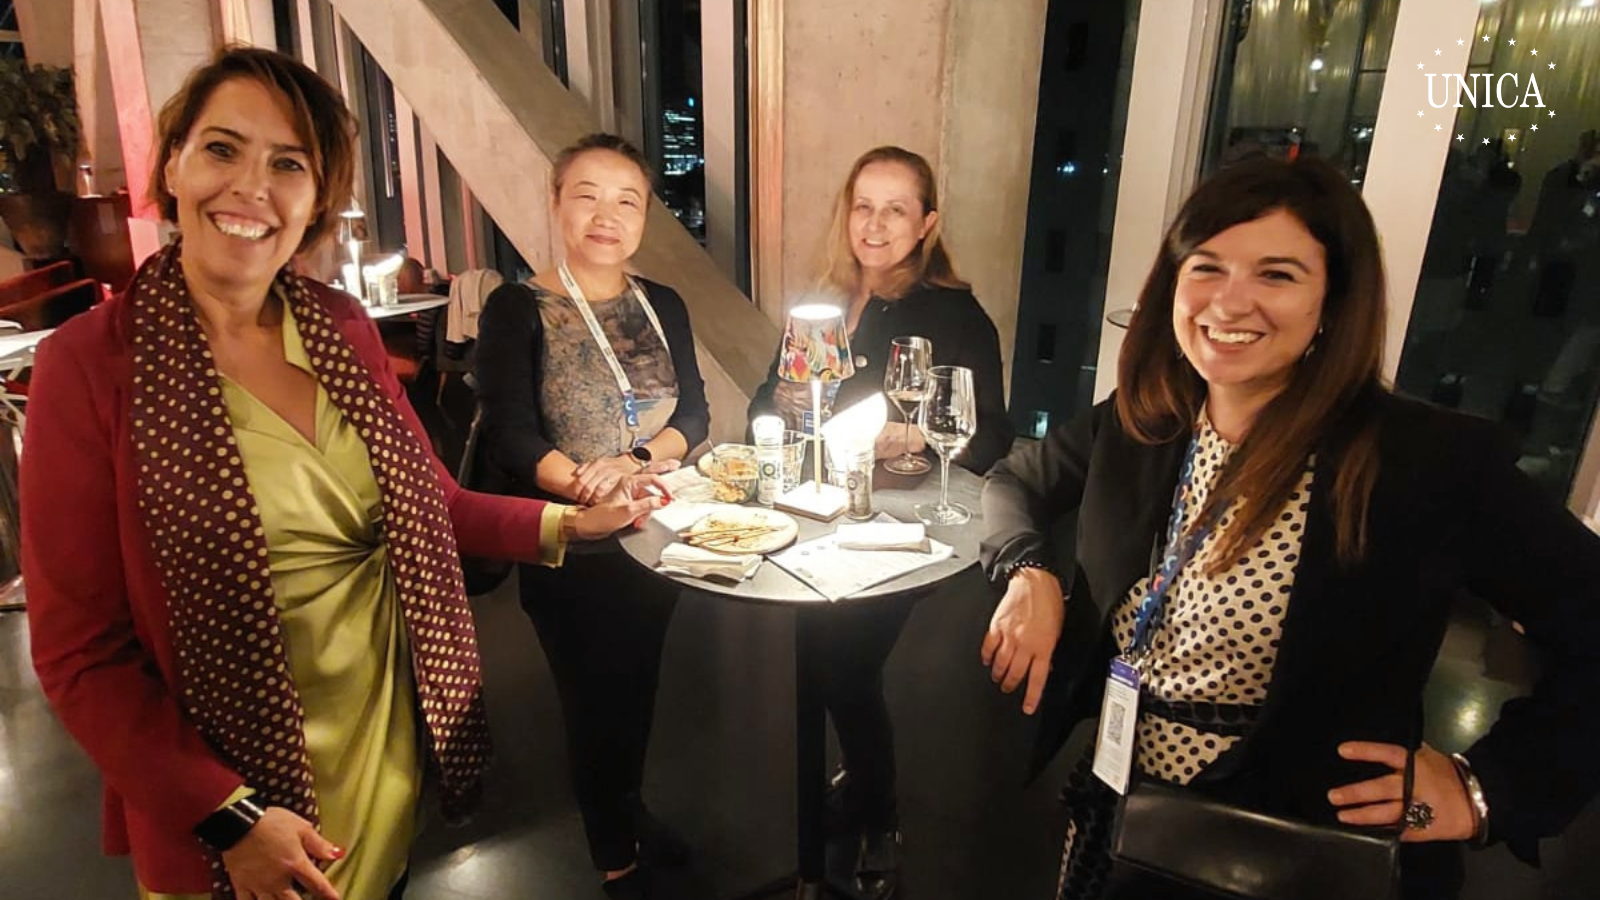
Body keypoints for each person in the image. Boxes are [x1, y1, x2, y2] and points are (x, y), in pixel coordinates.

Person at [21, 48, 666, 900]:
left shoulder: (339, 327)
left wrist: (569, 525)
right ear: (171, 160)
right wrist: (226, 814)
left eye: (288, 164)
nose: (252, 187)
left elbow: (427, 502)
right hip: (234, 804)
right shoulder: (91, 365)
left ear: (317, 195)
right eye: (222, 149)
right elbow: (78, 654)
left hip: (382, 744)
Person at [978, 155, 1600, 899]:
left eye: (1277, 275)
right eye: (1206, 267)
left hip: (1300, 848)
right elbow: (1015, 479)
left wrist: (1486, 787)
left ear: (1332, 304)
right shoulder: (1148, 420)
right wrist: (1029, 572)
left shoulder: (1423, 461)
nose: (1230, 303)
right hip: (1123, 816)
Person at [748, 145, 1013, 900]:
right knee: (827, 660)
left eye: (896, 208)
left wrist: (921, 439)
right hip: (814, 514)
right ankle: (859, 789)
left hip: (897, 523)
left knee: (846, 665)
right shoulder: (823, 301)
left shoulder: (954, 314)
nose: (876, 223)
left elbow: (990, 433)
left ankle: (879, 813)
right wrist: (783, 408)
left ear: (926, 222)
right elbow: (766, 400)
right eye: (864, 205)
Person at [474, 133, 709, 900]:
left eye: (627, 199)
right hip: (571, 546)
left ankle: (628, 808)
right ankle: (616, 858)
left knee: (637, 690)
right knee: (590, 701)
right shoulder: (519, 307)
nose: (607, 215)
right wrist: (585, 489)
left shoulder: (661, 303)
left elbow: (696, 417)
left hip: (654, 534)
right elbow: (512, 434)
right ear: (555, 204)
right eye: (587, 195)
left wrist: (635, 468)